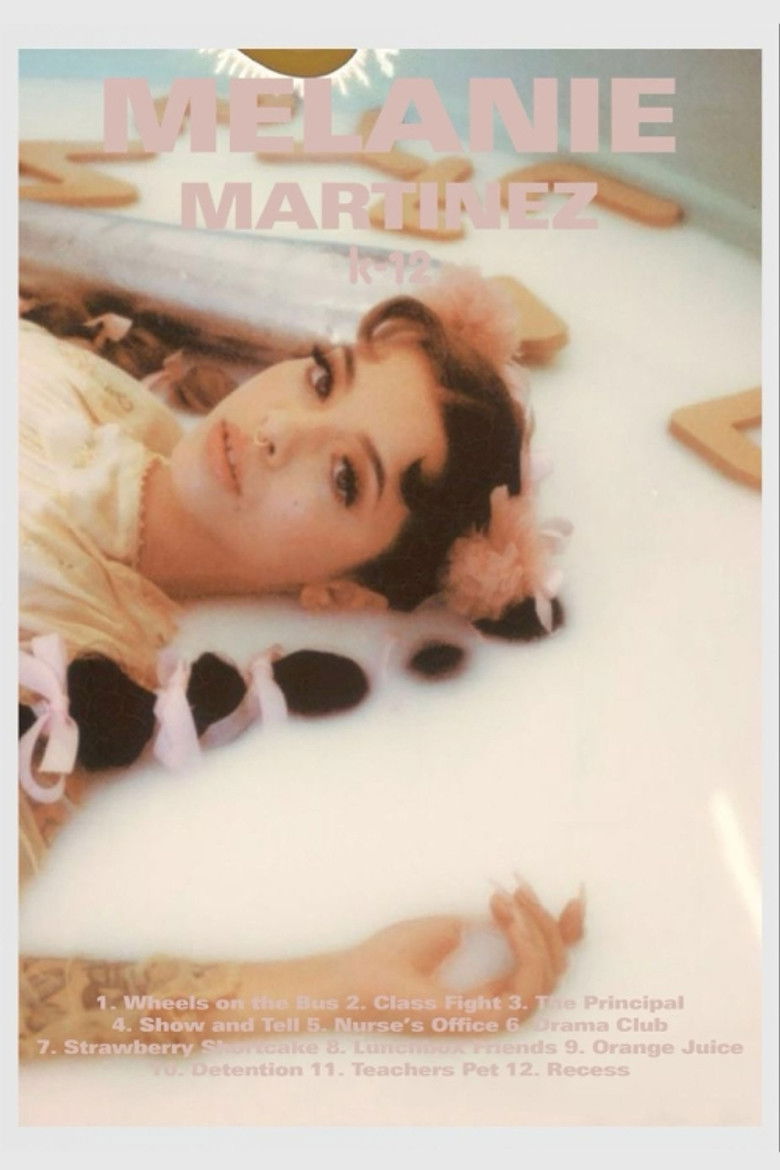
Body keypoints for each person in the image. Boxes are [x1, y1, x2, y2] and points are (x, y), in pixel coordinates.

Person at [19, 268, 581, 1060]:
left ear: (343, 594)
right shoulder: (95, 389)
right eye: (323, 379)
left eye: (345, 476)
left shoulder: (61, 674)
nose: (278, 428)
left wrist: (330, 986)